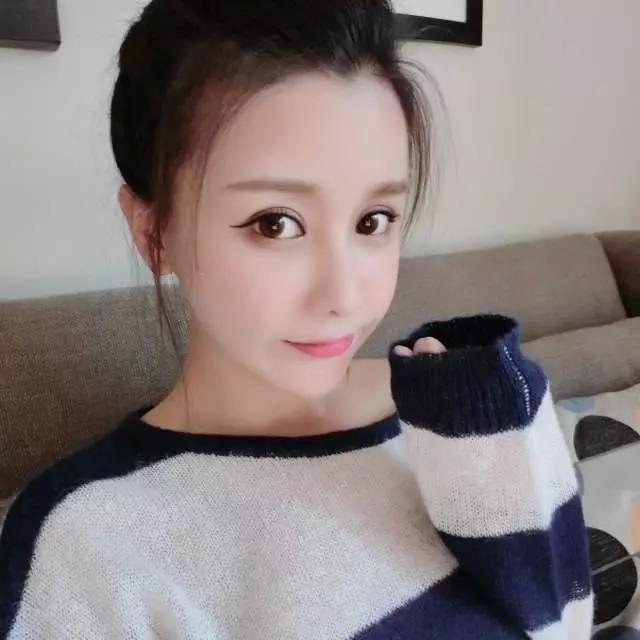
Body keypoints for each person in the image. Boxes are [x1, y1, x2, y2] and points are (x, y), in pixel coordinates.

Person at [0, 1, 593, 638]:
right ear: (153, 232)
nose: (344, 295)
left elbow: (565, 622)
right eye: (275, 224)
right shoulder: (84, 549)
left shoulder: (476, 395)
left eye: (373, 220)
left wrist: (477, 420)